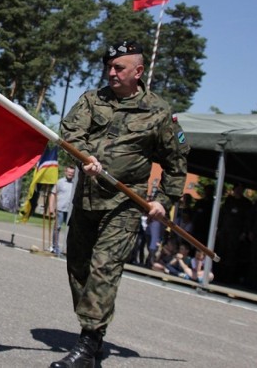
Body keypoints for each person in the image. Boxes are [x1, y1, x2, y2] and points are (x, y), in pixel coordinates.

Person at [51, 40, 189, 368]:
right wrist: (86, 155)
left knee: (104, 266)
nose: (111, 73)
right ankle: (94, 338)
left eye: (119, 68)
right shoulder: (91, 99)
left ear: (138, 71)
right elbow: (69, 133)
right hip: (86, 198)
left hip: (125, 204)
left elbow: (177, 158)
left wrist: (163, 200)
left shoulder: (157, 111)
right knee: (79, 266)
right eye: (109, 67)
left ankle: (87, 343)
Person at [49, 165, 76, 255]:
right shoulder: (60, 182)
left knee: (71, 231)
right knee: (57, 228)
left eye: (72, 173)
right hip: (60, 209)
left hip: (70, 211)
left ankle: (68, 249)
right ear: (65, 172)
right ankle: (55, 247)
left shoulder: (75, 183)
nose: (70, 174)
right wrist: (51, 207)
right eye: (69, 172)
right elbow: (53, 194)